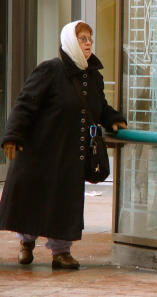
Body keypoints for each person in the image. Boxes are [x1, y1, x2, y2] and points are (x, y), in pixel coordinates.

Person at [0, 20, 127, 269]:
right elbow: (25, 104)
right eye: (82, 39)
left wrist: (114, 119)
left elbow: (99, 108)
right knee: (33, 198)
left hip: (69, 155)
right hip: (41, 151)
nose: (88, 43)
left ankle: (61, 252)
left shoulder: (93, 77)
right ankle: (26, 244)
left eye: (90, 39)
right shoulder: (50, 70)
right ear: (70, 40)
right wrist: (12, 136)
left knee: (64, 203)